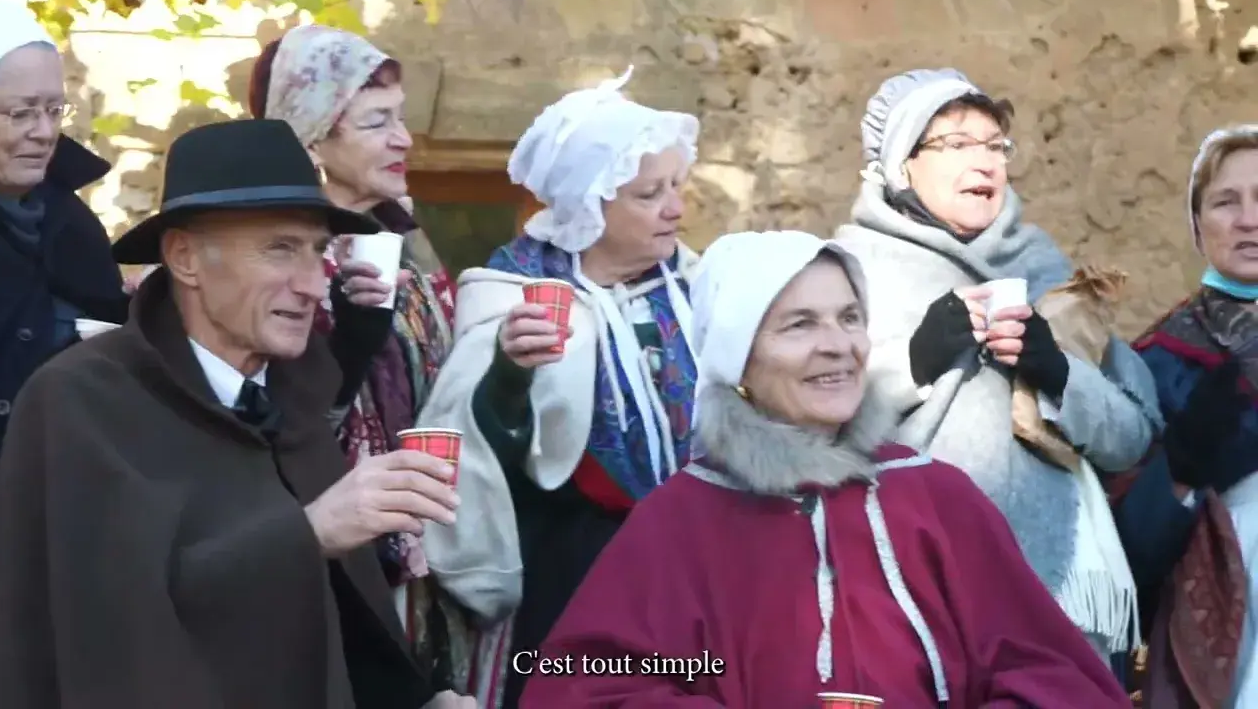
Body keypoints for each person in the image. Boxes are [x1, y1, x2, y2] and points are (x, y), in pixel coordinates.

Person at [0, 118, 473, 709]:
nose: (315, 284)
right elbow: (109, 635)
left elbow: (335, 629)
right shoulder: (82, 400)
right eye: (280, 249)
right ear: (185, 258)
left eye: (319, 251)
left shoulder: (297, 396)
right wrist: (311, 533)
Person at [520, 230, 1131, 707]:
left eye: (848, 317)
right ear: (739, 359)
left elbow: (1056, 676)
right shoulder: (681, 520)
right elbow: (588, 682)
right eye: (800, 324)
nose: (838, 344)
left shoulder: (935, 496)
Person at [833, 68, 1159, 661]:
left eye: (995, 145)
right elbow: (808, 437)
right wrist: (913, 364)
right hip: (914, 603)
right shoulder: (847, 275)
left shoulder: (1044, 269)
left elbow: (1132, 437)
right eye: (956, 144)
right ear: (901, 163)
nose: (984, 162)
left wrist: (1058, 374)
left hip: (1065, 615)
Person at [416, 66, 698, 706]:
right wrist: (511, 374)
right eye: (649, 193)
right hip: (569, 575)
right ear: (586, 206)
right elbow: (473, 448)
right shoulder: (510, 296)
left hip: (690, 567)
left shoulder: (696, 290)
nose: (676, 207)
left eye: (677, 186)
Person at [246, 25, 484, 701]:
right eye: (377, 122)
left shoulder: (407, 241)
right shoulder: (275, 260)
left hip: (430, 540)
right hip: (329, 554)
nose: (404, 139)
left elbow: (446, 378)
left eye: (401, 118)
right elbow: (280, 423)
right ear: (313, 137)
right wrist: (349, 340)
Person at [0, 0, 130, 579]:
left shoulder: (75, 226)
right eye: (20, 113)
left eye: (54, 110)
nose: (43, 133)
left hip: (57, 524)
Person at [1113, 125, 1258, 707]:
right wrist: (1182, 468)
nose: (1249, 219)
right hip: (1232, 641)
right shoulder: (1154, 362)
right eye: (1227, 202)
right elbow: (1127, 555)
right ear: (1198, 227)